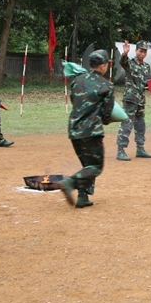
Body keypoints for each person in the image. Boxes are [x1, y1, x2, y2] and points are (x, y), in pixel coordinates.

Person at [60, 49, 115, 208]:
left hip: (74, 129)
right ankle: (69, 182)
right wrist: (106, 119)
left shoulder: (77, 81)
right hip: (91, 131)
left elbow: (74, 101)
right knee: (95, 166)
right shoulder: (106, 85)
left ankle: (83, 197)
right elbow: (106, 114)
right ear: (104, 66)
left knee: (87, 165)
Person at [116, 39, 151, 160]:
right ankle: (120, 150)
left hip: (141, 100)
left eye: (144, 52)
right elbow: (122, 62)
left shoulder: (146, 67)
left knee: (140, 124)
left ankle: (140, 148)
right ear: (136, 51)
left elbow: (144, 83)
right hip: (130, 99)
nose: (142, 53)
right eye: (140, 51)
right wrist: (124, 53)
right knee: (126, 124)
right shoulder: (130, 63)